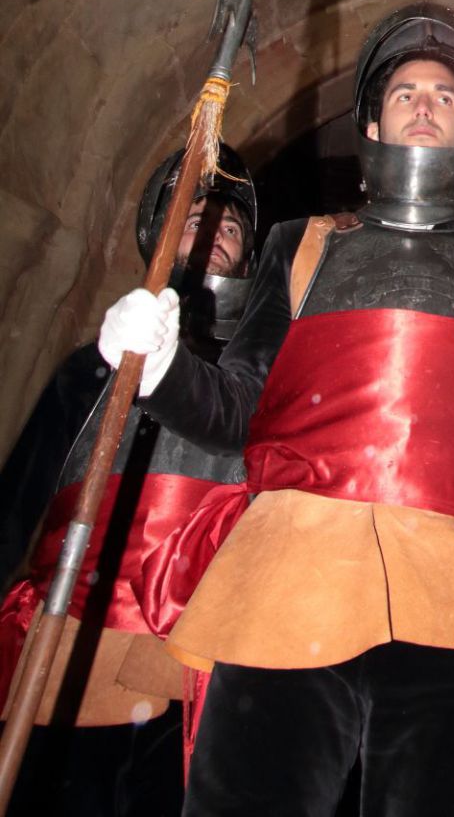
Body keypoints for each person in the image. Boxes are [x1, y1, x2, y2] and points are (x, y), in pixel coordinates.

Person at [98, 1, 454, 817]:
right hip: (293, 571)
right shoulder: (301, 244)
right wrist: (162, 369)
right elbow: (241, 410)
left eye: (444, 95)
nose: (424, 104)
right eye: (404, 92)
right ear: (370, 125)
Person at [0, 149, 255, 817]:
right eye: (195, 219)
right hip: (72, 635)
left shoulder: (256, 383)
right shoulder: (88, 368)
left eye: (230, 225)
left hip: (200, 654)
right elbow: (17, 502)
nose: (213, 231)